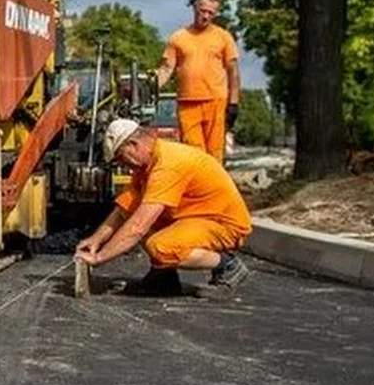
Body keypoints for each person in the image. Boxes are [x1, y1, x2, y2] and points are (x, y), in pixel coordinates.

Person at [75, 118, 252, 298]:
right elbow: (124, 210)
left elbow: (138, 226)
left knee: (161, 247)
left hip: (221, 223)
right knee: (132, 210)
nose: (122, 165)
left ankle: (228, 265)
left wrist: (100, 258)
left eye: (121, 157)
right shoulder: (145, 166)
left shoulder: (168, 165)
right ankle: (163, 277)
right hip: (193, 217)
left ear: (133, 144)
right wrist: (95, 240)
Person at [154, 0, 240, 162]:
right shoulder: (178, 38)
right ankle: (197, 188)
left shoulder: (223, 37)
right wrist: (149, 87)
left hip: (215, 101)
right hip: (187, 103)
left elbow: (233, 71)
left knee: (214, 155)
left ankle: (215, 188)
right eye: (203, 11)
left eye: (211, 13)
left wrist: (233, 103)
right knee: (194, 156)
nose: (206, 16)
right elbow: (166, 69)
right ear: (195, 7)